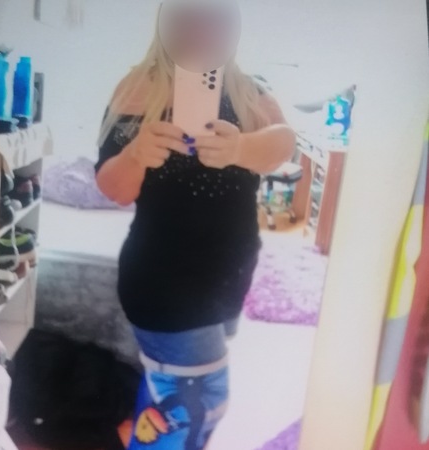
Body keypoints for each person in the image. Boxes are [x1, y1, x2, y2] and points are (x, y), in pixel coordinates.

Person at [95, 3, 296, 449]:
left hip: (226, 280)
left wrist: (239, 149)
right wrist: (136, 155)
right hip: (166, 283)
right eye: (190, 16)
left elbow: (284, 144)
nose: (203, 29)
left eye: (216, 17)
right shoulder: (140, 88)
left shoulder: (248, 90)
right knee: (195, 403)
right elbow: (113, 187)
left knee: (169, 403)